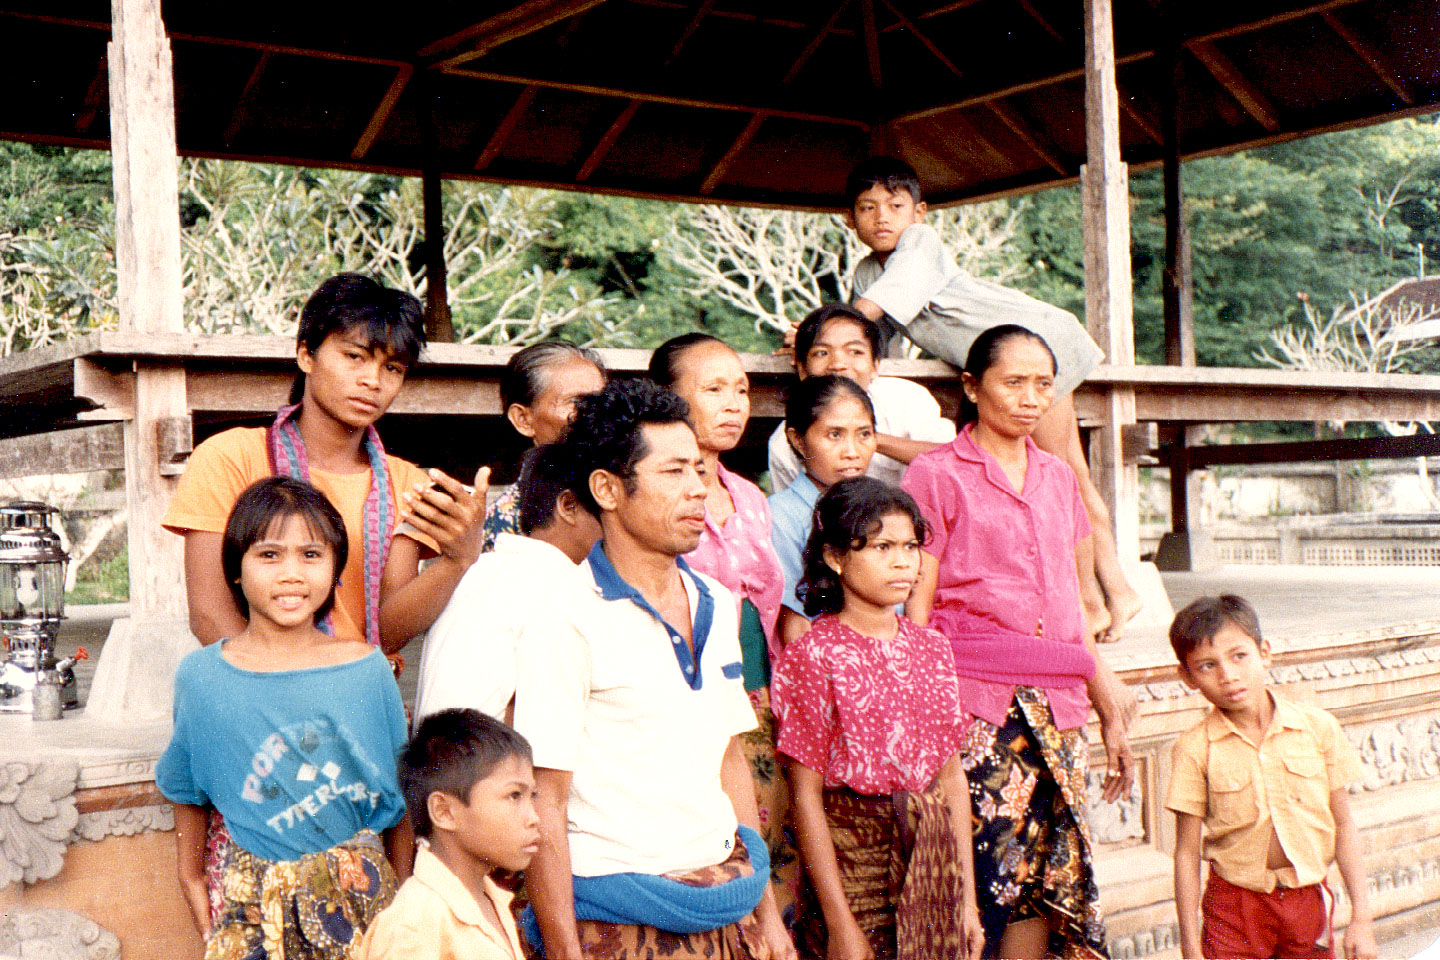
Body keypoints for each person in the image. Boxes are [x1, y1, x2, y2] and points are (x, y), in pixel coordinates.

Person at [513, 379, 796, 960]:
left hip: (722, 901)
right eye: (674, 473)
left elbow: (728, 757)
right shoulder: (565, 614)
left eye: (699, 469)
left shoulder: (718, 601)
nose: (698, 489)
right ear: (608, 490)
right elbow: (545, 797)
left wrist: (766, 916)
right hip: (614, 916)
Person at [902, 325, 1135, 959]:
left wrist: (1103, 687)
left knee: (1045, 877)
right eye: (1013, 382)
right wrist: (920, 704)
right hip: (975, 699)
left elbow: (1070, 599)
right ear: (972, 388)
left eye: (1043, 385)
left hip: (1059, 699)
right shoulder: (936, 472)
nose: (1031, 398)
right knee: (982, 876)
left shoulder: (1059, 477)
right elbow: (917, 599)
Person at [838, 156, 1141, 641]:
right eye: (867, 208)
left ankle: (1093, 601)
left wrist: (828, 329)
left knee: (1056, 474)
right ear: (848, 219)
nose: (882, 218)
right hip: (1004, 367)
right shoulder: (865, 273)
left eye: (895, 206)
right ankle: (1120, 591)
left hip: (1031, 349)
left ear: (919, 213)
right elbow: (877, 344)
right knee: (1070, 473)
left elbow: (866, 317)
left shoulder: (920, 243)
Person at [162, 272, 488, 653]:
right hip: (257, 687)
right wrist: (303, 689)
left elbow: (387, 633)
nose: (372, 380)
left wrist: (457, 558)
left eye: (393, 368)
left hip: (357, 686)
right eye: (354, 356)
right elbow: (209, 615)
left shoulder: (406, 482)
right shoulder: (229, 458)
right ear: (306, 355)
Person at [157, 477, 407, 959]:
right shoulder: (202, 676)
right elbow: (185, 788)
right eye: (269, 555)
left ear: (336, 567)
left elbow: (397, 802)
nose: (291, 573)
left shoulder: (366, 669)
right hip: (250, 904)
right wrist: (191, 881)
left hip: (362, 897)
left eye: (311, 555)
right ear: (235, 569)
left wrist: (400, 904)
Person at [773, 477, 985, 960]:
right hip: (854, 862)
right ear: (834, 557)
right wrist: (839, 923)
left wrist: (967, 901)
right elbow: (805, 797)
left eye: (910, 546)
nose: (902, 562)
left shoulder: (932, 648)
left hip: (935, 858)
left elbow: (950, 778)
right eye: (882, 547)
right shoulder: (814, 655)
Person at [649, 332, 798, 923]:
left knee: (774, 859)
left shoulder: (750, 496)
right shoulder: (648, 496)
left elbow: (768, 614)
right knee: (706, 859)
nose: (734, 403)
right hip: (685, 706)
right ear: (667, 398)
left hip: (758, 702)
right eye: (713, 389)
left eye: (741, 389)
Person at [1164, 596, 1376, 960]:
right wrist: (1190, 946)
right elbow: (1185, 853)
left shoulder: (1317, 728)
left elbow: (1344, 825)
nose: (1227, 675)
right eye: (1207, 666)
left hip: (1307, 900)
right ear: (1187, 677)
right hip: (1234, 907)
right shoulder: (1194, 748)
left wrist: (1362, 918)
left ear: (1265, 652)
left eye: (1239, 656)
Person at [413, 443, 601, 725]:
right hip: (488, 760)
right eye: (612, 512)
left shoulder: (486, 569)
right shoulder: (556, 585)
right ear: (569, 506)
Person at [359, 708, 537, 960]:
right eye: (514, 796)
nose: (534, 817)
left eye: (533, 796)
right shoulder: (414, 926)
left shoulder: (489, 899)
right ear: (444, 812)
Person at [768, 303, 955, 491]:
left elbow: (952, 462)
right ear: (802, 369)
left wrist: (867, 438)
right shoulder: (784, 443)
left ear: (875, 366)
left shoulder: (907, 399)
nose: (838, 364)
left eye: (855, 351)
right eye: (822, 353)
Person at [769, 375, 878, 647]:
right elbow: (795, 622)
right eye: (834, 435)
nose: (852, 451)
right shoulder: (780, 515)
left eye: (864, 434)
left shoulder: (883, 511)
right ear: (798, 440)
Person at [480, 341, 607, 552]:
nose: (597, 414)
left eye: (601, 401)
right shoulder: (507, 520)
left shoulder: (622, 491)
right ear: (523, 419)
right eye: (577, 402)